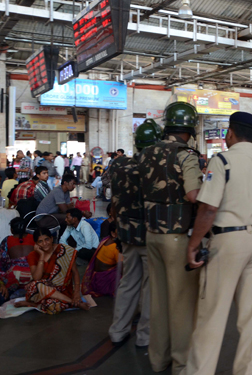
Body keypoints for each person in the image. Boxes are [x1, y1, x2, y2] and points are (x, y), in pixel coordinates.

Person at [184, 112, 252, 375]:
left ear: (230, 133)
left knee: (212, 314)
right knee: (250, 313)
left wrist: (194, 244)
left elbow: (208, 209)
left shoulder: (221, 161)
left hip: (228, 240)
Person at [138, 102, 203, 374]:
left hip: (151, 235)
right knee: (181, 303)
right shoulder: (186, 154)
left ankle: (157, 358)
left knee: (159, 300)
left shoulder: (146, 152)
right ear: (190, 127)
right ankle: (181, 364)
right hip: (177, 238)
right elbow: (193, 195)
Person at [109, 119, 161, 349]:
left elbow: (115, 200)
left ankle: (118, 330)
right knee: (150, 286)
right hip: (150, 236)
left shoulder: (119, 166)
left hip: (127, 235)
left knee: (128, 282)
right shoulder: (157, 168)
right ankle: (145, 336)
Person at [14, 228, 89, 314]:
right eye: (40, 241)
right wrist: (41, 255)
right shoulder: (33, 255)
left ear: (52, 239)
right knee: (35, 284)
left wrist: (76, 293)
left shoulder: (64, 250)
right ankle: (73, 302)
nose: (45, 243)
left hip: (62, 290)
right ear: (36, 244)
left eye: (47, 239)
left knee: (52, 306)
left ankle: (32, 304)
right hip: (40, 290)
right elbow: (36, 277)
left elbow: (75, 272)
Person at [0, 217, 33, 291]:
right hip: (33, 274)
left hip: (15, 275)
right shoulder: (33, 238)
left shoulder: (7, 240)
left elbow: (3, 261)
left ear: (11, 230)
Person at [82, 222, 120, 297]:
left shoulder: (106, 239)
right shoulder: (116, 247)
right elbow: (122, 269)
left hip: (96, 279)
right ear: (113, 233)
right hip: (104, 282)